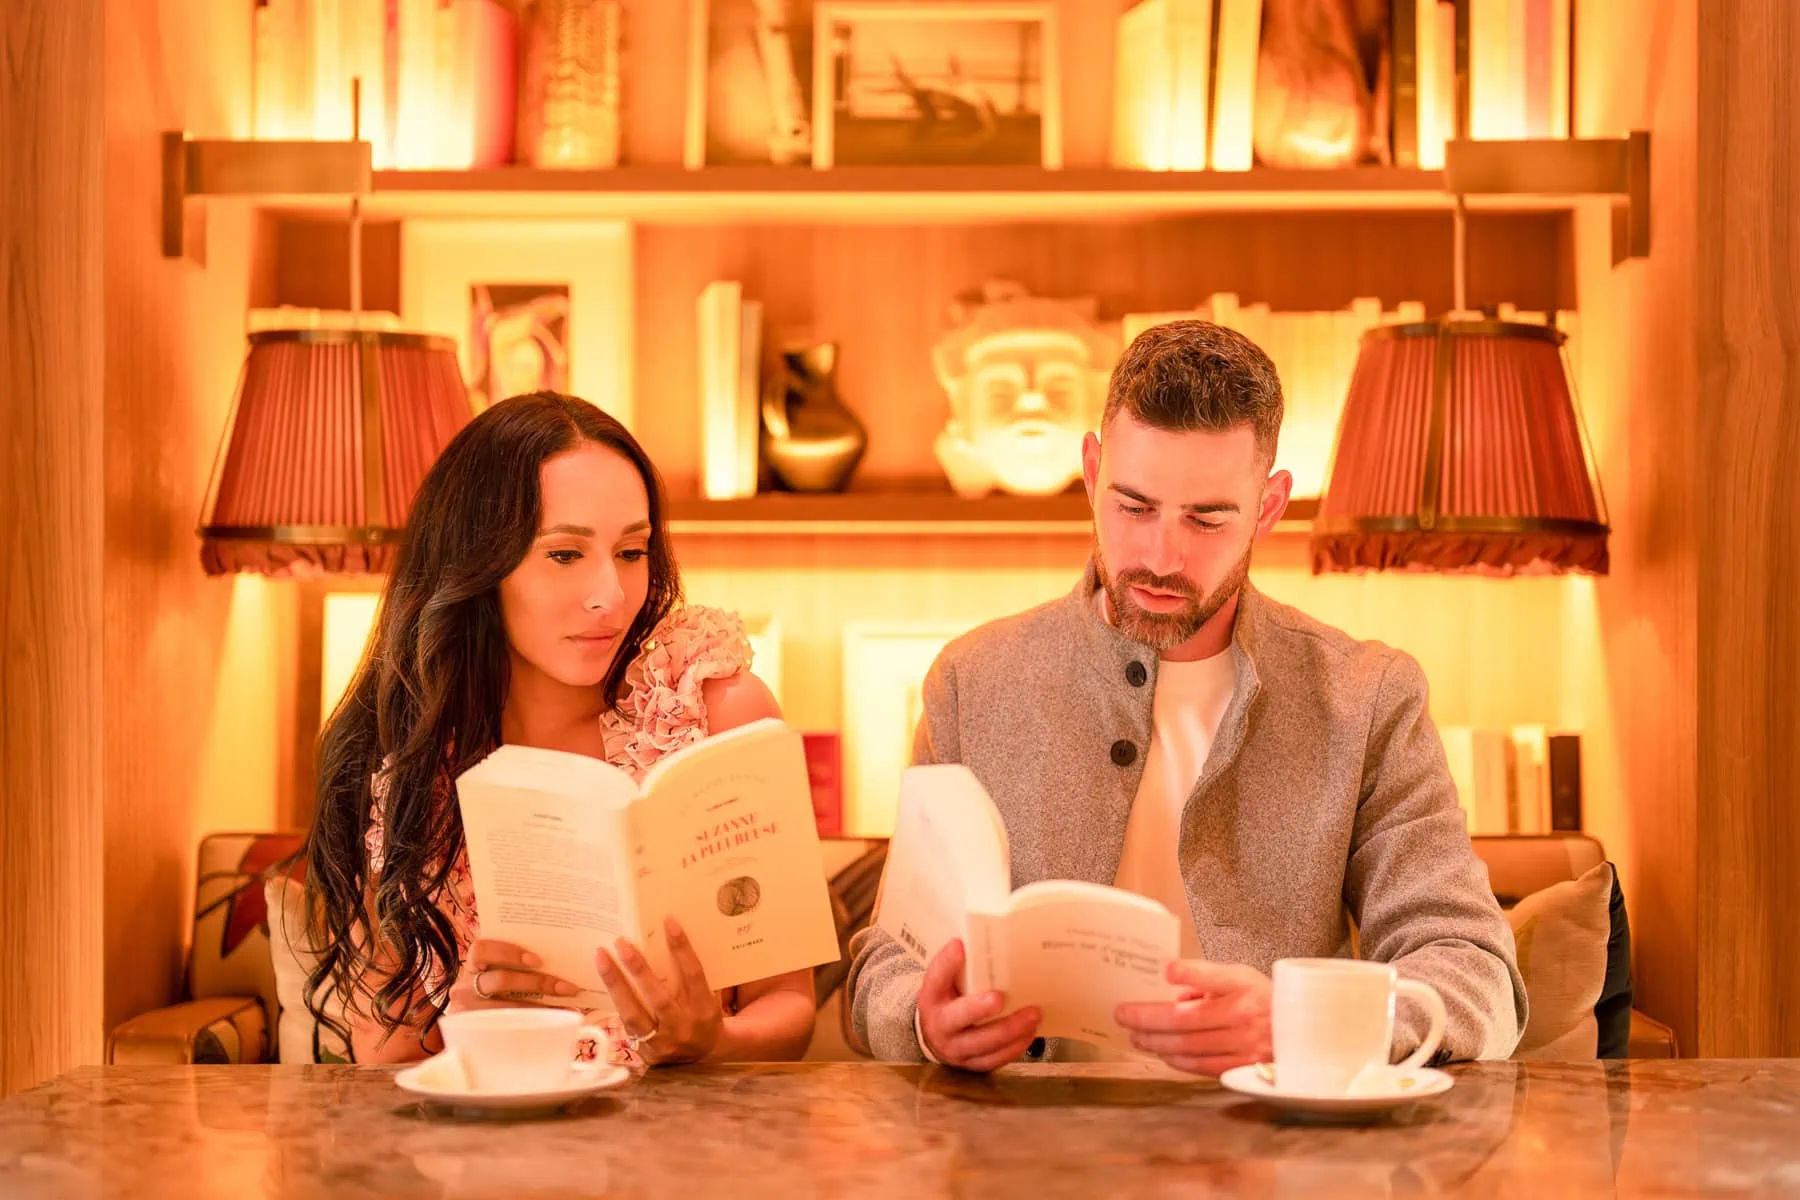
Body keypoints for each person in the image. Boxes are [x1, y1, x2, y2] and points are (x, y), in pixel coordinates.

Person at [846, 320, 1526, 1075]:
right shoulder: (971, 681)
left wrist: (1303, 1023)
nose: (1161, 556)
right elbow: (884, 964)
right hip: (1023, 1157)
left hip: (1275, 1158)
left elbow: (1478, 977)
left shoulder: (1366, 698)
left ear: (1268, 508)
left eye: (1206, 519)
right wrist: (925, 1021)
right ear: (1092, 469)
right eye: (1134, 507)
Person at [303, 391, 815, 1069]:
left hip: (690, 1156)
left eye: (632, 551)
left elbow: (791, 1006)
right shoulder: (412, 758)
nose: (610, 594)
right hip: (494, 1160)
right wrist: (467, 1025)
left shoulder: (715, 710)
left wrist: (713, 1043)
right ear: (478, 565)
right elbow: (383, 1061)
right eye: (566, 555)